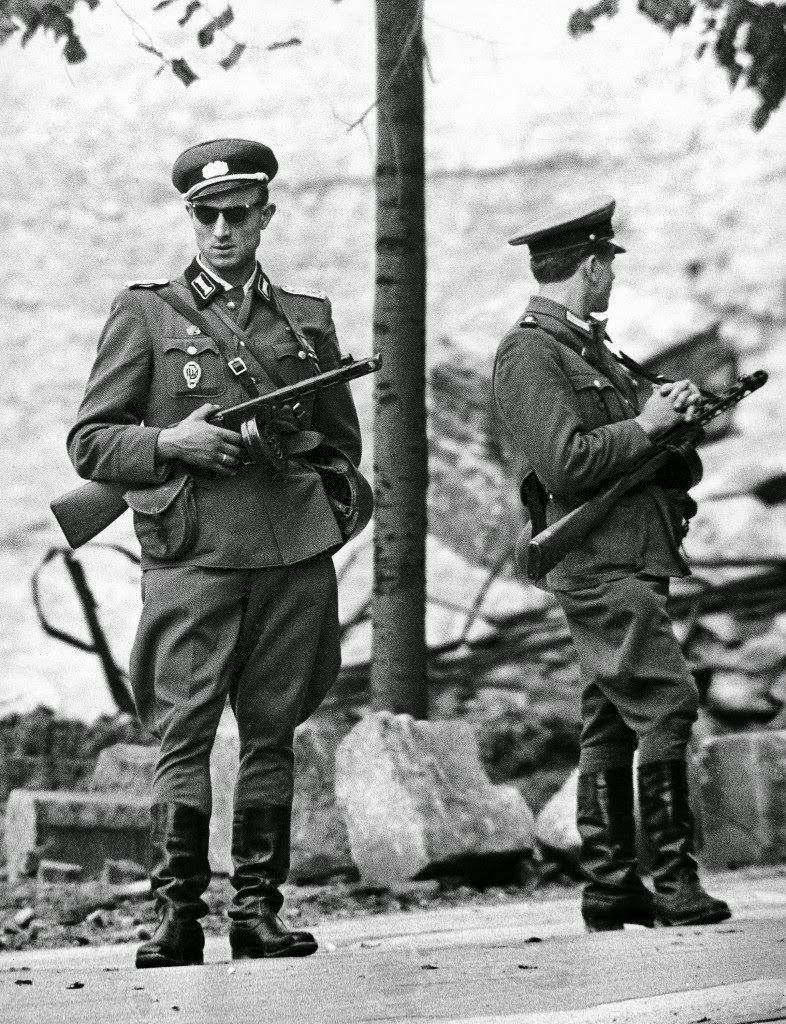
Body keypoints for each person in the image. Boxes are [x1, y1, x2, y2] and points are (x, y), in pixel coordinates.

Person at [68, 138, 366, 967]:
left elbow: (342, 448)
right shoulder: (146, 313)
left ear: (265, 217)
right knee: (184, 735)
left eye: (240, 214)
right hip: (194, 557)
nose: (223, 230)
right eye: (207, 214)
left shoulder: (306, 319)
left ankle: (258, 912)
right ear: (189, 217)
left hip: (290, 557)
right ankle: (175, 918)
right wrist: (175, 441)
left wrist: (326, 500)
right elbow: (91, 443)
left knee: (272, 734)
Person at [492, 197, 731, 932]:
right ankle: (671, 879)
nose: (611, 283)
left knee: (611, 721)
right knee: (666, 703)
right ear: (590, 267)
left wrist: (668, 427)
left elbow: (628, 455)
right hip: (601, 562)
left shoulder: (589, 349)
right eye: (608, 269)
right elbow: (566, 465)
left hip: (633, 552)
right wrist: (646, 424)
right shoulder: (530, 352)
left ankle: (610, 886)